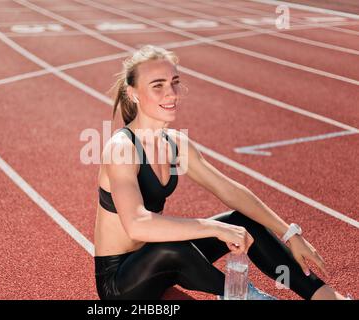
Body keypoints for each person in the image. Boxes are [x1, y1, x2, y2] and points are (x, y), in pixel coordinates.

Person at [94, 45, 348, 300]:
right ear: (133, 93)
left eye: (175, 82)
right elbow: (138, 224)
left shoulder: (175, 144)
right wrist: (214, 228)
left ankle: (323, 295)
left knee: (243, 221)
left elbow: (230, 191)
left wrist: (290, 234)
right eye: (157, 86)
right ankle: (242, 296)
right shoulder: (122, 148)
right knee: (173, 246)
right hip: (121, 284)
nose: (171, 93)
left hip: (159, 268)